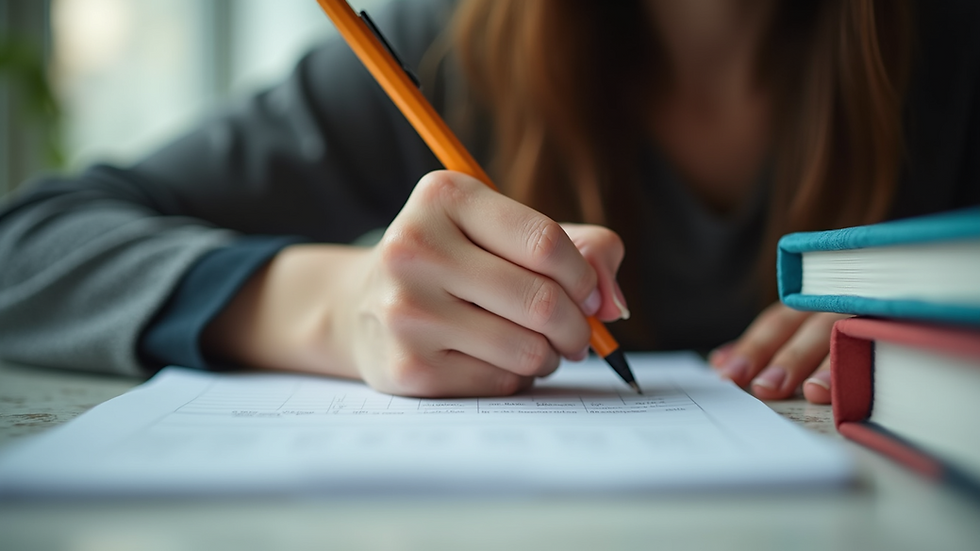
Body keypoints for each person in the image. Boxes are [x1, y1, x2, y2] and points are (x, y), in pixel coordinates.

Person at [0, 0, 976, 402]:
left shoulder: (950, 47)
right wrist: (330, 309)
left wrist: (947, 315)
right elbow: (28, 245)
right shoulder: (439, 50)